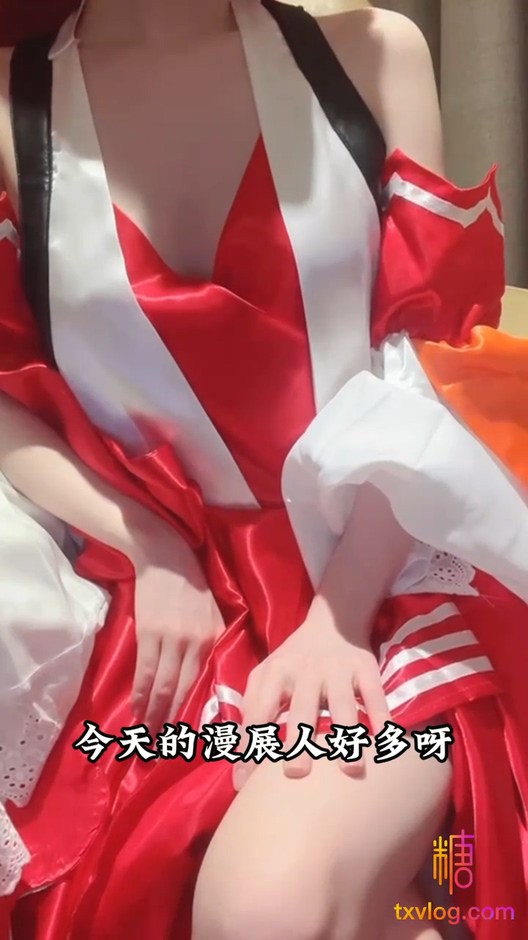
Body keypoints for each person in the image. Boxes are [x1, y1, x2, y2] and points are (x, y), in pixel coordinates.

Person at [0, 1, 527, 938]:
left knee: (264, 909)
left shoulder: (370, 53)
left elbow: (434, 356)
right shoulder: (12, 104)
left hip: (388, 563)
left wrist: (339, 616)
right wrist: (145, 541)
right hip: (168, 609)